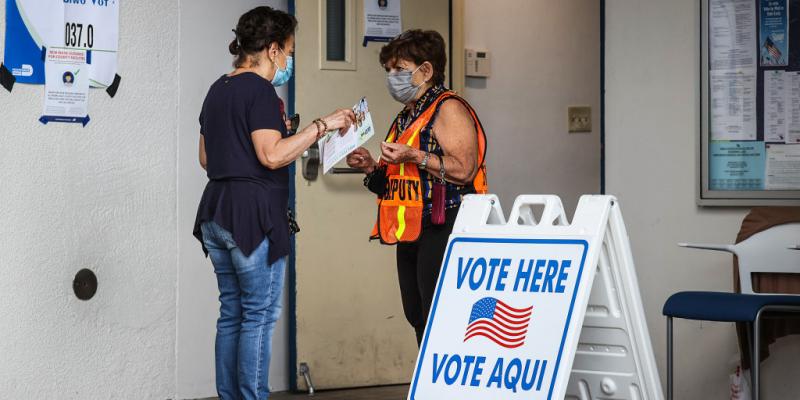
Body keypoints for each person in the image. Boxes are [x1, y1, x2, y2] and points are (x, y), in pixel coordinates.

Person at [193, 6, 355, 400]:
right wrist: (322, 126)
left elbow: (206, 158)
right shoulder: (260, 91)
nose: (290, 60)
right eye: (290, 50)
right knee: (259, 318)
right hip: (252, 217)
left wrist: (277, 143)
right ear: (272, 49)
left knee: (232, 313)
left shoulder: (219, 88)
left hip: (216, 210)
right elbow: (271, 155)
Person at [346, 29, 488, 345]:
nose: (392, 77)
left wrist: (415, 155)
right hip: (411, 227)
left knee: (440, 314)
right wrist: (370, 166)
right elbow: (391, 183)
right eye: (389, 71)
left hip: (445, 222)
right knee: (417, 313)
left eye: (399, 69)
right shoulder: (407, 116)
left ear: (425, 70)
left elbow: (464, 169)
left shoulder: (447, 107)